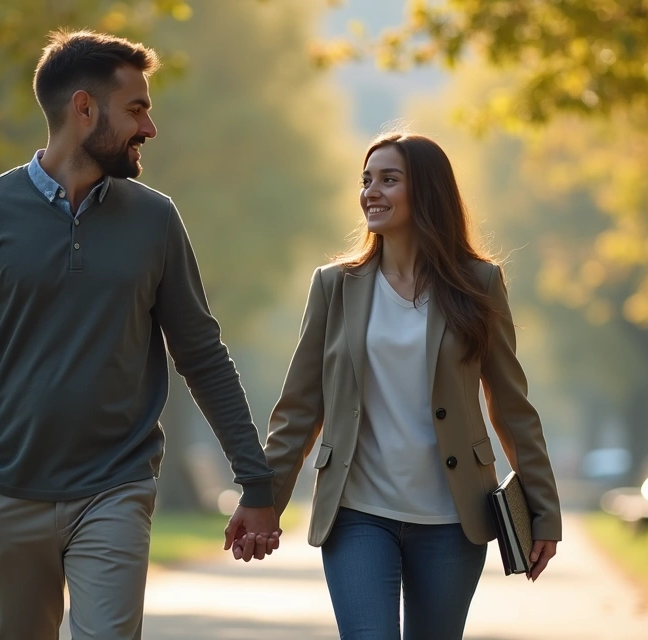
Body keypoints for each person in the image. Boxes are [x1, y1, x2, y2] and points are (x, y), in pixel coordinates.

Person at [0, 29, 280, 640]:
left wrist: (255, 479)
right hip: (7, 493)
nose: (150, 127)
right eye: (136, 108)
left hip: (116, 486)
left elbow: (202, 354)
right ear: (83, 108)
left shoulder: (155, 219)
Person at [241, 132, 563, 639]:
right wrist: (263, 500)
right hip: (357, 514)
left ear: (428, 192)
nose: (372, 191)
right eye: (366, 180)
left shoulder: (478, 285)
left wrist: (544, 512)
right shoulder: (334, 286)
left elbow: (511, 406)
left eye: (389, 180)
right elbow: (299, 408)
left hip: (453, 521)